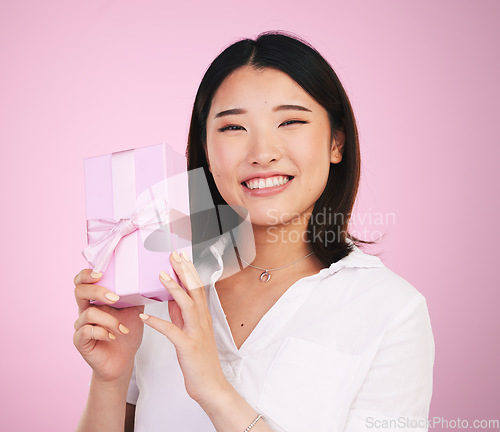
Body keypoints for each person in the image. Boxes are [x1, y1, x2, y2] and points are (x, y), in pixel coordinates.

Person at [73, 31, 434, 432]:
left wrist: (214, 389)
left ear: (336, 142)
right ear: (206, 153)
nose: (262, 153)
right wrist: (111, 379)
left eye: (291, 121)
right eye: (232, 128)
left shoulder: (390, 309)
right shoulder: (163, 283)